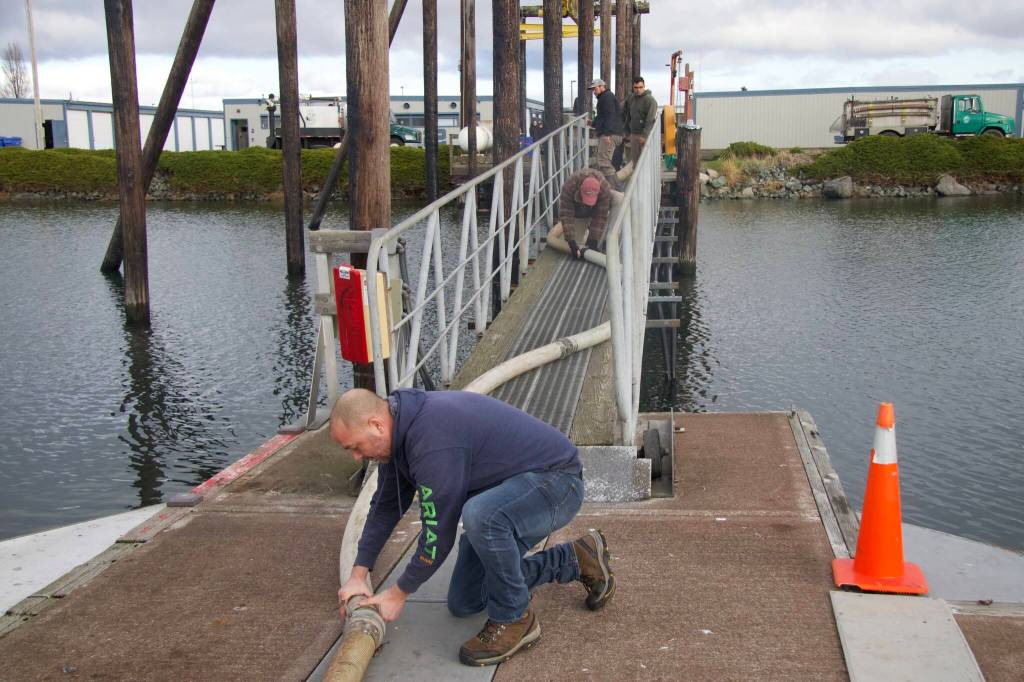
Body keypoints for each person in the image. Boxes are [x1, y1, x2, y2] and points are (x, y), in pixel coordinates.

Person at [332, 388, 615, 667]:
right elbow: (385, 508)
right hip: (513, 492)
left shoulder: (431, 439)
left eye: (355, 447)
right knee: (465, 601)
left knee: (480, 515)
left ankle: (515, 618)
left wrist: (398, 594)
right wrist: (358, 573)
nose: (356, 457)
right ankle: (575, 558)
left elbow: (437, 535)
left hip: (557, 484)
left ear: (376, 425)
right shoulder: (396, 438)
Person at [554, 168, 615, 259]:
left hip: (596, 209)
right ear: (581, 189)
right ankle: (584, 236)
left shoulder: (604, 188)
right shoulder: (569, 186)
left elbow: (600, 216)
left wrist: (593, 240)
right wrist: (571, 241)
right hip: (579, 212)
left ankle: (607, 240)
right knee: (574, 245)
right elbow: (566, 215)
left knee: (620, 200)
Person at [587, 78, 624, 188]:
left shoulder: (606, 98)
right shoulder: (606, 97)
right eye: (593, 89)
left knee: (604, 162)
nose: (594, 92)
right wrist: (593, 123)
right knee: (604, 162)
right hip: (614, 133)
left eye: (595, 89)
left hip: (610, 134)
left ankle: (616, 190)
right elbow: (603, 117)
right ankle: (610, 189)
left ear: (602, 87)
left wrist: (607, 134)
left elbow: (610, 116)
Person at [622, 76, 658, 166]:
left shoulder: (650, 100)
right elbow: (628, 116)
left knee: (645, 162)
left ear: (644, 86)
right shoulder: (631, 98)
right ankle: (635, 179)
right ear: (633, 87)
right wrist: (626, 132)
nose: (638, 90)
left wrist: (645, 136)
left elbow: (650, 120)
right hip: (633, 135)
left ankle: (646, 180)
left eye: (640, 87)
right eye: (636, 87)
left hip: (645, 135)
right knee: (635, 162)